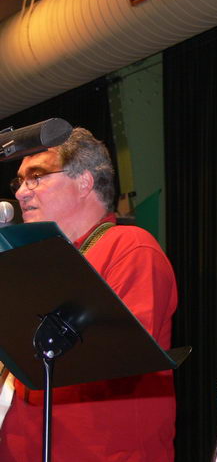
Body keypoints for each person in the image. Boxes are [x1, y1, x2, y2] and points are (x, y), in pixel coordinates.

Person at [0, 128, 178, 462]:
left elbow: (117, 358)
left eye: (36, 177)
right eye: (19, 182)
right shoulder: (35, 263)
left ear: (84, 181)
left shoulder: (130, 247)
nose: (22, 192)